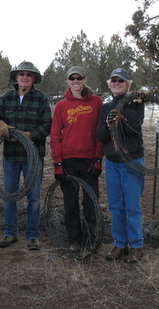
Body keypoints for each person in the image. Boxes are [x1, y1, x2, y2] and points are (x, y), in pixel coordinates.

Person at [0, 61, 51, 250]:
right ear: (16, 77)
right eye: (21, 74)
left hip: (33, 157)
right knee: (10, 195)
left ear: (33, 79)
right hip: (11, 156)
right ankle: (10, 233)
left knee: (34, 197)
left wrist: (29, 136)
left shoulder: (40, 99)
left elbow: (47, 126)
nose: (24, 77)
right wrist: (0, 126)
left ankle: (32, 236)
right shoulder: (6, 97)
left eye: (28, 75)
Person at [50, 66, 104, 253]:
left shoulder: (96, 102)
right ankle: (75, 240)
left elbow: (100, 133)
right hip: (68, 162)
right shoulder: (61, 106)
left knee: (90, 203)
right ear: (68, 81)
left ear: (84, 79)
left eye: (78, 78)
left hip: (89, 160)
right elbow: (55, 135)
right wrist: (58, 163)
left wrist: (98, 159)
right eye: (72, 78)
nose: (75, 81)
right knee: (70, 203)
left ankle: (90, 240)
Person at [96, 68, 145, 263]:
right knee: (116, 206)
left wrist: (124, 111)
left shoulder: (135, 104)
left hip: (132, 161)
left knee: (132, 206)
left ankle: (136, 246)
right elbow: (100, 136)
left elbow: (134, 128)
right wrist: (109, 125)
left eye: (121, 81)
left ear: (127, 84)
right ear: (109, 83)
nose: (117, 83)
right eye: (114, 80)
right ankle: (119, 244)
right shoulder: (105, 107)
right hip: (113, 163)